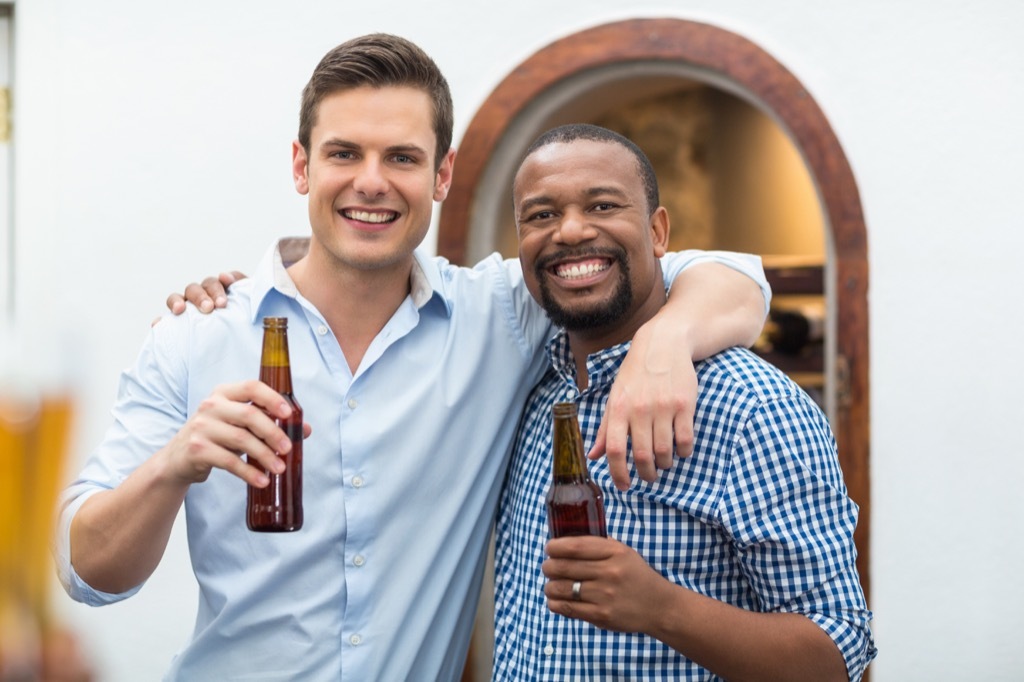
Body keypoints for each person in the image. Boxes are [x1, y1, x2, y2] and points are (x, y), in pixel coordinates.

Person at [54, 35, 770, 681]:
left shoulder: (501, 317)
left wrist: (664, 340)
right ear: (302, 165)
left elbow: (737, 279)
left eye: (402, 157)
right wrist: (174, 465)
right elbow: (86, 572)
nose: (372, 182)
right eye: (344, 154)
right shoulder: (197, 336)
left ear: (443, 173)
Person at [492, 124, 875, 681]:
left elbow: (839, 654)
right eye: (542, 215)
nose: (571, 230)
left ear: (658, 231)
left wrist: (661, 608)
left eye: (602, 204)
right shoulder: (531, 388)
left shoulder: (750, 406)